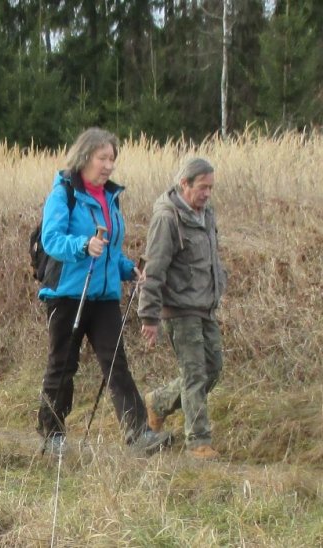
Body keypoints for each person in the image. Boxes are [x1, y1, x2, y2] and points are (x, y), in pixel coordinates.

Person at [36, 127, 172, 456]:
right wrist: (83, 245)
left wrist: (128, 269)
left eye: (112, 158)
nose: (109, 165)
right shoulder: (64, 193)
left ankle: (138, 434)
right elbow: (50, 240)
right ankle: (52, 434)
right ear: (85, 157)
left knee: (116, 363)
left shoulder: (110, 197)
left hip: (104, 295)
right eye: (103, 158)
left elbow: (109, 249)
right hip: (68, 293)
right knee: (63, 364)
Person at [138, 157, 227, 460]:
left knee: (212, 369)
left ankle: (158, 402)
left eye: (211, 188)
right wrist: (149, 316)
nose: (207, 194)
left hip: (205, 306)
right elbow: (154, 269)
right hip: (179, 309)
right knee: (194, 375)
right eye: (202, 187)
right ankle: (198, 443)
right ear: (184, 184)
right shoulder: (167, 218)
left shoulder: (207, 214)